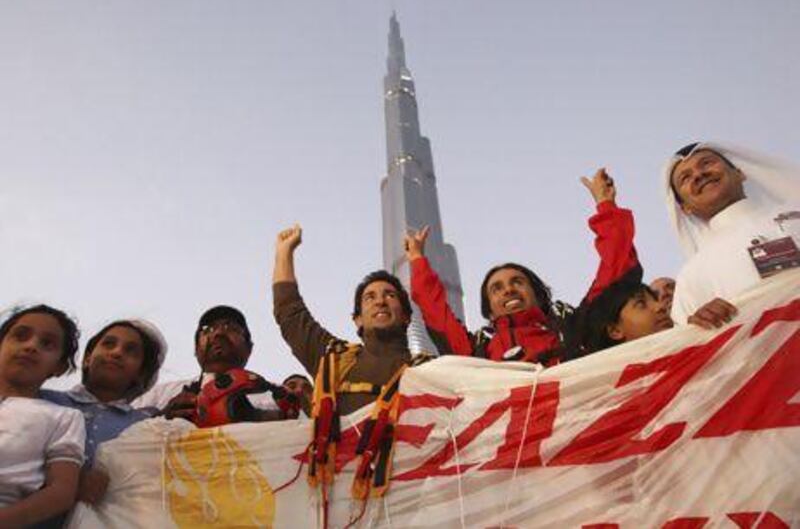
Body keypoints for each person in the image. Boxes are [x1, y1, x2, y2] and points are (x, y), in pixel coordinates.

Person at [407, 168, 640, 364]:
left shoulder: (574, 329)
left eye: (517, 282)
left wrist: (606, 205)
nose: (508, 290)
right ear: (489, 310)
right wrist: (418, 259)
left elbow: (615, 269)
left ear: (538, 294)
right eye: (496, 289)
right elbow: (436, 312)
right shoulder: (476, 353)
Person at [273, 224, 415, 416]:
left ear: (406, 316)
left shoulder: (429, 371)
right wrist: (284, 251)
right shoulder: (333, 358)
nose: (380, 301)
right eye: (369, 297)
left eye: (390, 295)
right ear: (357, 320)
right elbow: (289, 312)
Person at [665, 142, 800, 324]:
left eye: (706, 163)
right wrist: (698, 325)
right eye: (685, 178)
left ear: (740, 172)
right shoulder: (692, 277)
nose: (699, 174)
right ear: (684, 208)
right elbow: (685, 345)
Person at [42, 319, 166, 505]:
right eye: (109, 344)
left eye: (131, 351)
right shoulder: (44, 400)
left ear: (141, 374)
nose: (117, 353)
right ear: (87, 359)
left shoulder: (148, 425)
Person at [0, 305, 85, 527]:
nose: (31, 346)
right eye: (20, 336)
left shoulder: (64, 417)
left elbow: (60, 492)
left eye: (47, 344)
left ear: (59, 366)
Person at [133, 306, 286, 422]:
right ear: (196, 349)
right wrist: (161, 419)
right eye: (207, 330)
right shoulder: (159, 396)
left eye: (231, 327)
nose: (218, 333)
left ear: (249, 348)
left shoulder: (277, 397)